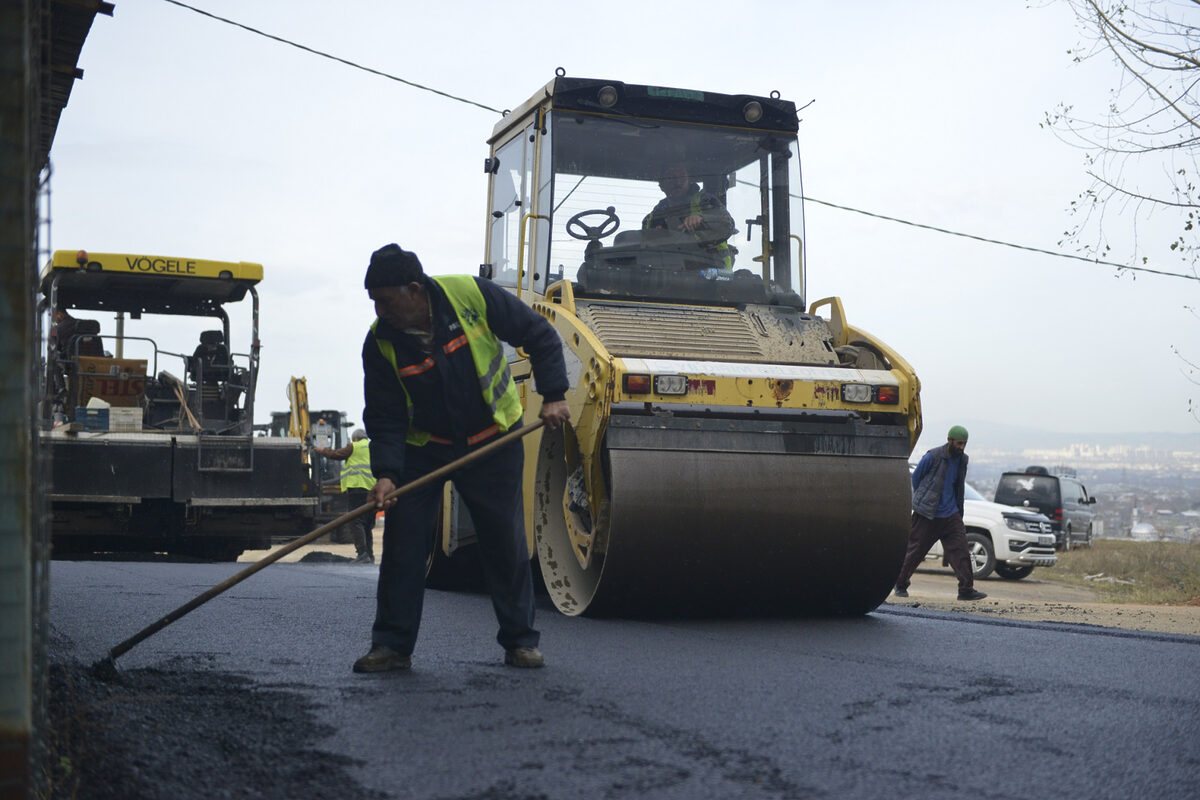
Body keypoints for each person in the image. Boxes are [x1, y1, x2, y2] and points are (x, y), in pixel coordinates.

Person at [353, 243, 571, 673]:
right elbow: (385, 416)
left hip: (492, 438)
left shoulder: (470, 295)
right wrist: (387, 475)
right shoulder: (380, 343)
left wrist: (554, 395)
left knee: (504, 543)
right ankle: (392, 646)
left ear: (414, 289)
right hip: (426, 449)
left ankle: (521, 642)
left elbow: (540, 335)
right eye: (373, 302)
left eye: (384, 300)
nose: (379, 311)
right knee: (404, 544)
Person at [893, 425, 988, 602]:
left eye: (964, 444)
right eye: (959, 443)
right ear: (949, 440)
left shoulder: (962, 460)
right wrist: (925, 500)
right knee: (915, 551)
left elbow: (958, 485)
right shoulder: (933, 456)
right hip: (928, 513)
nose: (961, 447)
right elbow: (916, 478)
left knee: (961, 552)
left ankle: (966, 590)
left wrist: (958, 510)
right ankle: (900, 584)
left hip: (951, 514)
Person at [642, 163, 737, 269]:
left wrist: (702, 219)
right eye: (671, 177)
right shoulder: (653, 217)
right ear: (661, 185)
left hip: (713, 277)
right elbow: (643, 249)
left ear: (688, 179)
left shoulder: (706, 201)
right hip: (669, 278)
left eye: (681, 176)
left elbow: (727, 224)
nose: (677, 182)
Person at [314, 429, 377, 565]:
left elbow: (336, 454)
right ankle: (370, 555)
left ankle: (362, 554)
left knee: (356, 521)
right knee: (367, 523)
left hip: (357, 487)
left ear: (355, 438)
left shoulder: (354, 446)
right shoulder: (374, 447)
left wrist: (321, 450)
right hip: (372, 489)